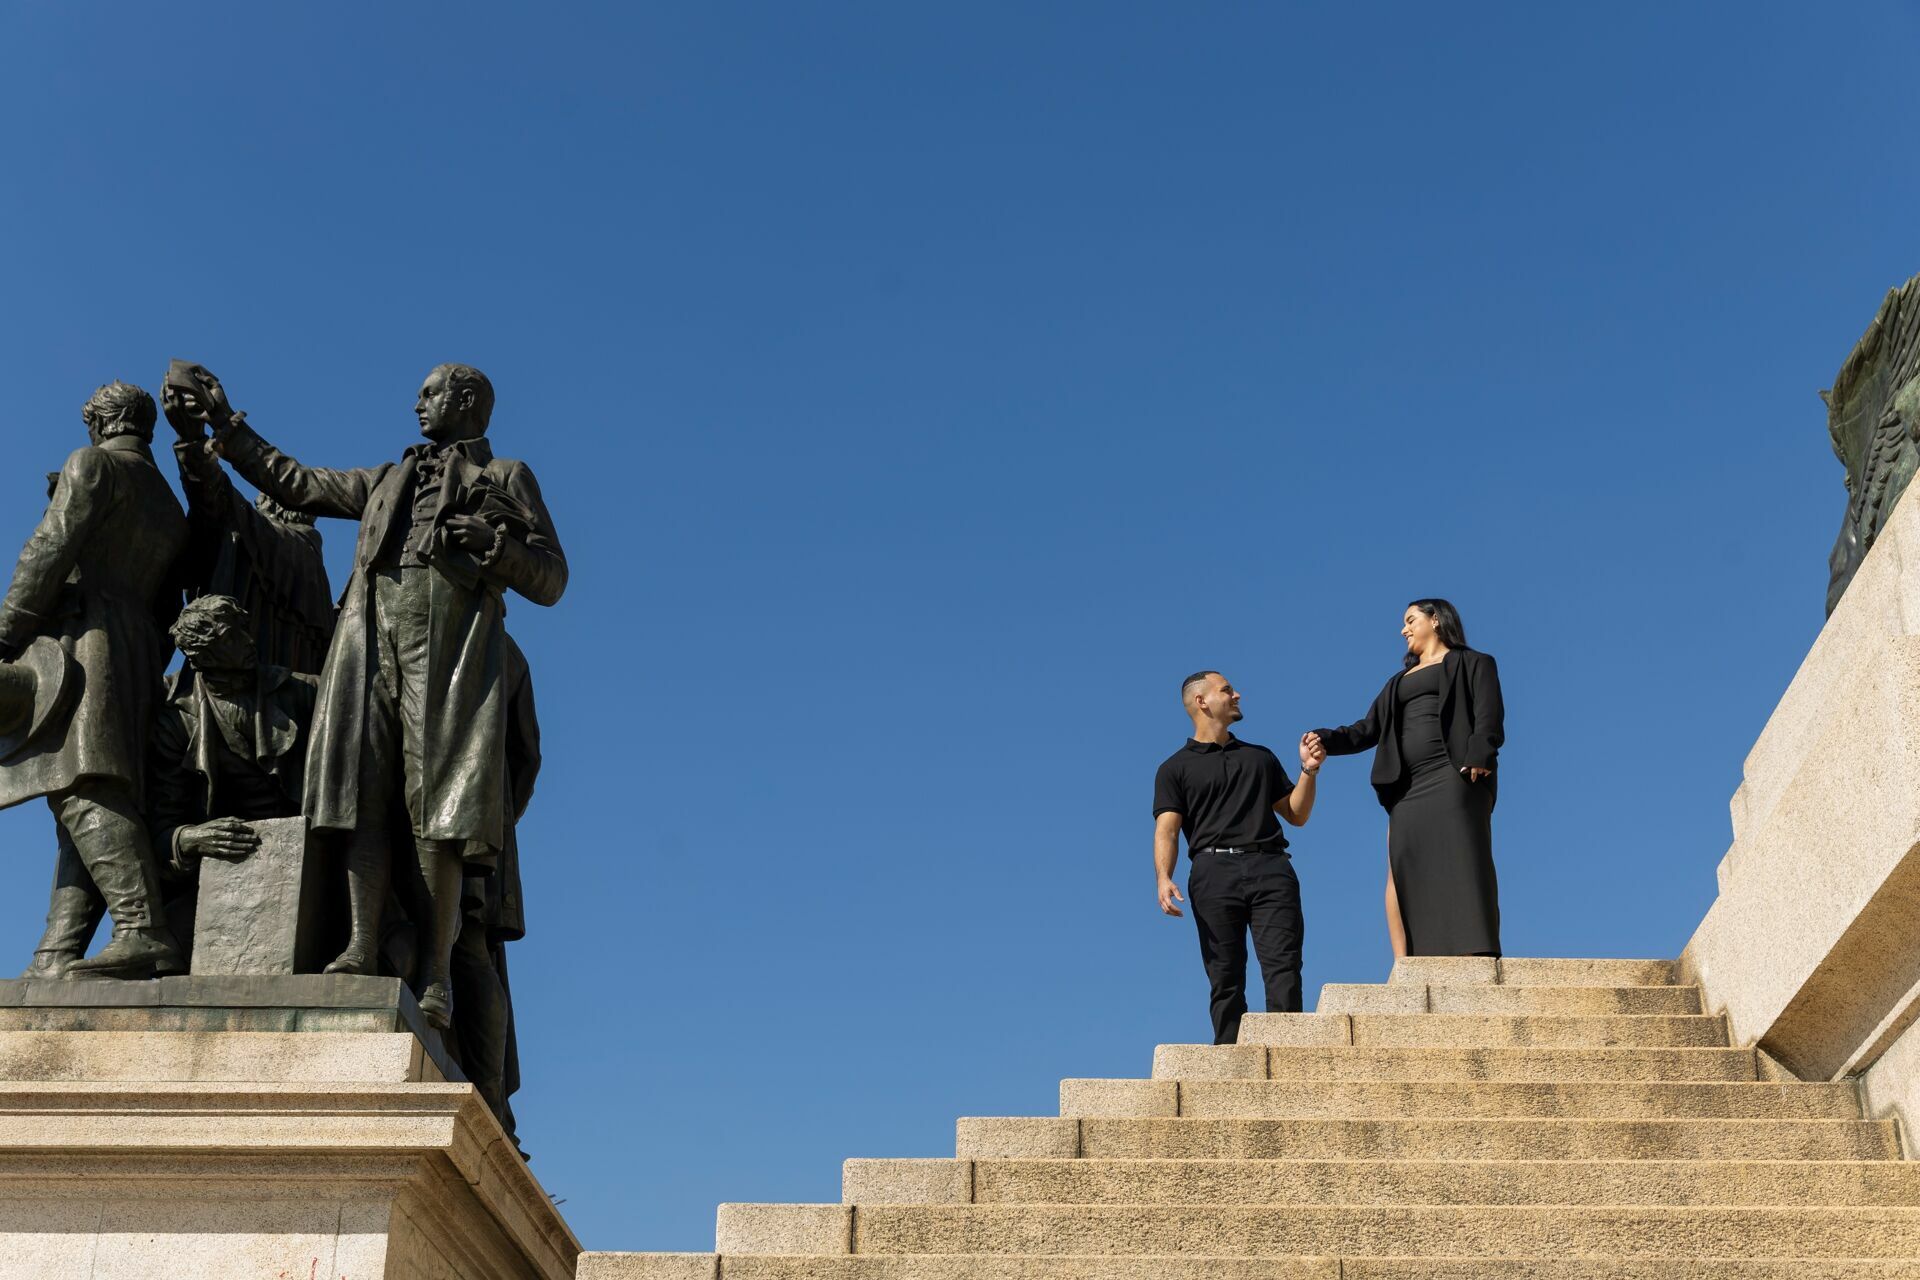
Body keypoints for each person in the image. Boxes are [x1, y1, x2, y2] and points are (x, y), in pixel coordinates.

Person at [174, 363, 567, 1028]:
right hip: (370, 636)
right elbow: (294, 480)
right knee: (363, 793)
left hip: (447, 648)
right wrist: (224, 424)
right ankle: (359, 946)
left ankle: (437, 978)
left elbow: (552, 577)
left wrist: (495, 545)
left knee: (437, 810)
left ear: (467, 401)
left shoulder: (506, 477)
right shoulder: (387, 479)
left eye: (431, 392)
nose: (417, 403)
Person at [1, 382, 189, 980]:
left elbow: (50, 548)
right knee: (83, 789)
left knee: (84, 786)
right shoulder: (168, 502)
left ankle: (142, 929)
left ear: (99, 422)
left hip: (86, 640)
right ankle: (56, 952)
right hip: (137, 646)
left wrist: (7, 630)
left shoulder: (93, 464)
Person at [22, 595, 317, 975]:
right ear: (200, 658)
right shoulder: (176, 721)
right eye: (229, 638)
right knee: (166, 960)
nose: (246, 642)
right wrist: (191, 838)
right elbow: (158, 827)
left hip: (307, 856)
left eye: (242, 630)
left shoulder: (302, 693)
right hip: (221, 869)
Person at [1308, 598, 1504, 959]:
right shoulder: (1397, 682)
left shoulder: (1474, 663)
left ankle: (1475, 950)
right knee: (1404, 864)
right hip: (1407, 788)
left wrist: (1481, 751)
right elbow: (1366, 729)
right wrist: (1324, 738)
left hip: (1454, 776)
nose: (1404, 629)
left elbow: (1488, 713)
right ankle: (1407, 960)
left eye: (1411, 620)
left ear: (1435, 619)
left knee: (1463, 857)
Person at [1153, 671, 1323, 1045]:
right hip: (1213, 873)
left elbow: (1296, 814)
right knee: (1225, 974)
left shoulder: (1260, 757)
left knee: (1284, 967)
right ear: (1201, 701)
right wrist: (1164, 877)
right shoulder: (1174, 768)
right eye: (1227, 690)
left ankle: (1288, 1052)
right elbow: (1166, 829)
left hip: (1271, 868)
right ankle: (1228, 1059)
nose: (1237, 694)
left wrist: (1309, 770)